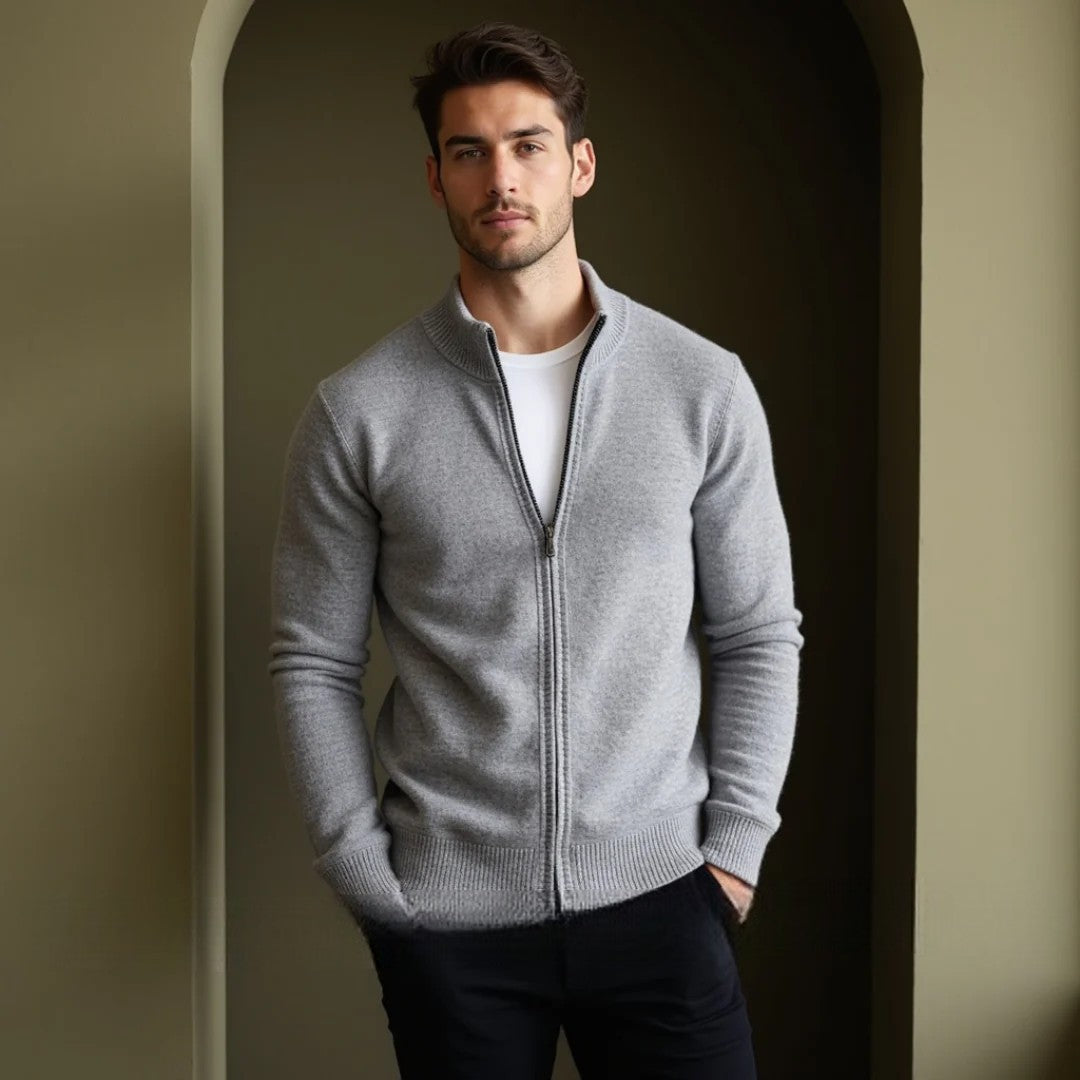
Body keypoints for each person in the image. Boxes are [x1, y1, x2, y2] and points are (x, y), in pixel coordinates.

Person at [268, 19, 803, 1079]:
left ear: (579, 165)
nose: (501, 177)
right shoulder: (360, 412)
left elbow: (757, 632)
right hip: (450, 924)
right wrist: (363, 873)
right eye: (469, 151)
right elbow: (312, 660)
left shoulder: (701, 387)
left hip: (663, 898)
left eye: (528, 145)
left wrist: (734, 851)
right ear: (437, 178)